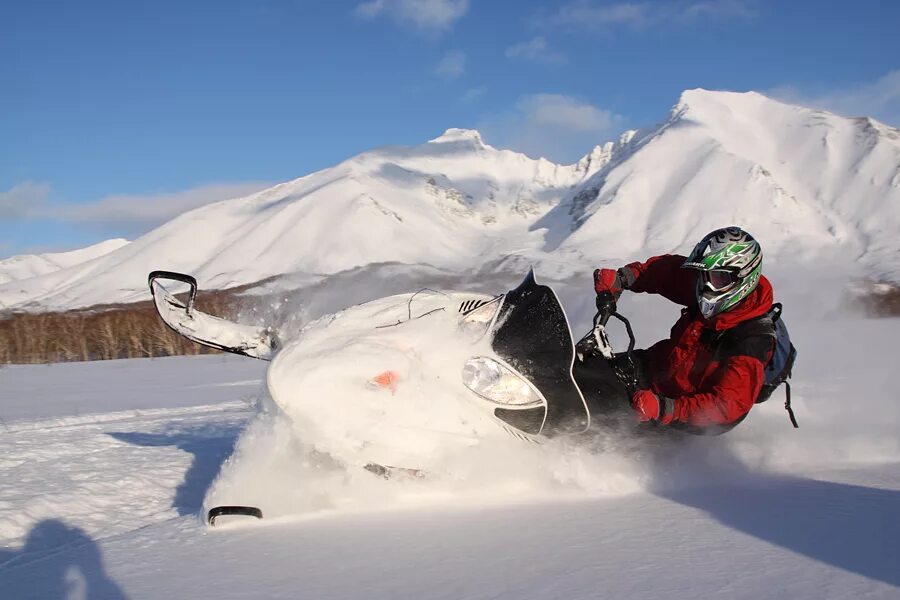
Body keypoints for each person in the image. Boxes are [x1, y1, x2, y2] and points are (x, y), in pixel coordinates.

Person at [593, 226, 774, 434]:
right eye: (703, 274)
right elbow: (668, 273)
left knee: (597, 425)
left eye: (716, 277)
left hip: (679, 411)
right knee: (583, 370)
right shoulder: (711, 288)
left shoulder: (751, 340)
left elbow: (727, 405)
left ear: (742, 279)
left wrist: (666, 409)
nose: (705, 284)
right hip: (656, 369)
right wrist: (623, 278)